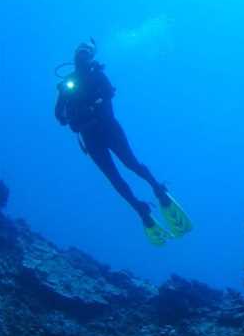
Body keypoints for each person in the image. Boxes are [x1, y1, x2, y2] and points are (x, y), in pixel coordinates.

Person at [54, 41, 191, 245]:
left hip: (109, 129)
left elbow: (109, 93)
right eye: (80, 51)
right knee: (113, 177)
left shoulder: (97, 75)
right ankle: (141, 210)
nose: (82, 55)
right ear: (74, 55)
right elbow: (58, 114)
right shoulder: (68, 83)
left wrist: (90, 107)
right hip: (91, 138)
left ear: (91, 56)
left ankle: (158, 190)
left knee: (132, 164)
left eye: (86, 52)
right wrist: (71, 117)